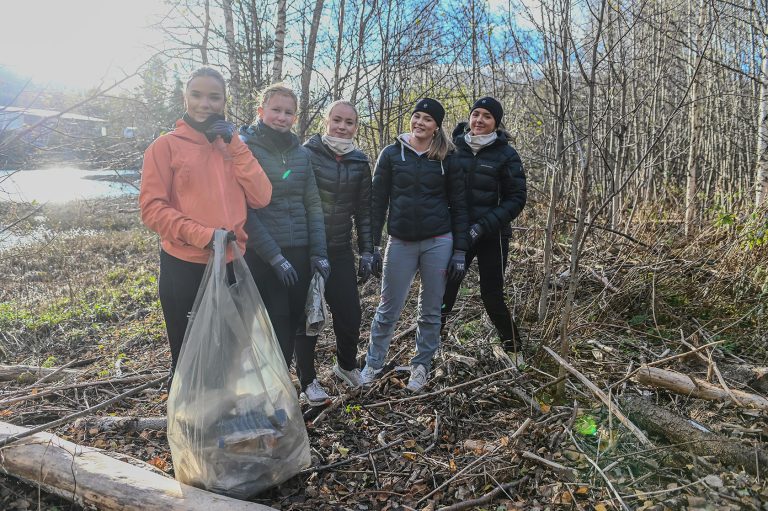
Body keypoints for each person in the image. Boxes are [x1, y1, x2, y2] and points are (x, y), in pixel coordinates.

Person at [139, 66, 272, 377]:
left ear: (224, 101)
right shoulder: (165, 146)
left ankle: (222, 417)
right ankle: (189, 423)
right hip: (185, 265)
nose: (205, 104)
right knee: (188, 356)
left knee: (230, 351)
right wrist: (204, 235)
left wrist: (235, 145)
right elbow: (152, 209)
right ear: (185, 96)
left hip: (232, 263)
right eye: (197, 95)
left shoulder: (235, 147)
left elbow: (262, 196)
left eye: (214, 97)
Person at [360, 98, 469, 392]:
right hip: (400, 241)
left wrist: (460, 250)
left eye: (428, 120)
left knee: (431, 309)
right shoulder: (392, 154)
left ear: (436, 126)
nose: (420, 123)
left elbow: (459, 206)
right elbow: (377, 202)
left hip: (439, 241)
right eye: (417, 116)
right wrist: (370, 246)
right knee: (387, 307)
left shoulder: (448, 157)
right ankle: (373, 363)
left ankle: (421, 366)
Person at [239, 84, 331, 405]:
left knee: (300, 321)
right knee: (276, 323)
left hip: (301, 250)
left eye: (288, 112)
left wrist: (319, 252)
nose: (282, 117)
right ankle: (271, 390)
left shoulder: (301, 153)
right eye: (275, 110)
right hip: (265, 254)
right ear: (261, 111)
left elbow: (313, 204)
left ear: (296, 117)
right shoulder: (246, 149)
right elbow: (245, 211)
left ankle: (300, 381)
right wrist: (274, 256)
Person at [441, 96, 527, 365]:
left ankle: (514, 350)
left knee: (491, 295)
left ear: (496, 122)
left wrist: (482, 226)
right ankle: (428, 346)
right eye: (475, 114)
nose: (479, 120)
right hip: (457, 235)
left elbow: (516, 199)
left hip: (493, 236)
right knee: (445, 291)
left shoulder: (506, 154)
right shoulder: (453, 148)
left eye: (487, 116)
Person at [304, 100, 373, 389]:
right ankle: (308, 379)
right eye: (337, 120)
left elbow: (364, 211)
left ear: (356, 126)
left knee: (350, 312)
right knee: (309, 314)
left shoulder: (359, 162)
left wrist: (368, 249)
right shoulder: (306, 153)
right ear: (326, 121)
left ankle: (346, 365)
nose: (342, 127)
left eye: (349, 122)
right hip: (307, 250)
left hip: (341, 248)